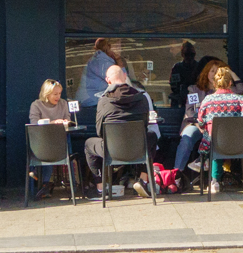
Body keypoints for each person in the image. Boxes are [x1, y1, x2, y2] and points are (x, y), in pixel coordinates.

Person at [83, 65, 156, 198]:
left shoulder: (104, 101)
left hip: (111, 150)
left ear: (108, 80)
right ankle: (143, 180)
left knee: (89, 144)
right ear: (124, 76)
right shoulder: (142, 98)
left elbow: (100, 131)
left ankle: (100, 188)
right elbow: (145, 126)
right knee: (152, 136)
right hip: (137, 149)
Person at [196, 66, 243, 195]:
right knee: (218, 139)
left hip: (217, 145)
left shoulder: (207, 101)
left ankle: (214, 181)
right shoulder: (242, 101)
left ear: (215, 83)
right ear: (230, 83)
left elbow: (201, 123)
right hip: (241, 146)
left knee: (212, 138)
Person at [171, 57, 224, 188]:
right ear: (206, 73)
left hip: (215, 127)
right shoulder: (194, 89)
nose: (214, 74)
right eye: (212, 71)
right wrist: (200, 123)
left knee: (218, 139)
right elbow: (190, 111)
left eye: (218, 72)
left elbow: (241, 88)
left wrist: (231, 75)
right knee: (187, 138)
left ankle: (214, 180)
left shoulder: (223, 92)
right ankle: (176, 176)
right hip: (195, 124)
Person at [28, 79, 71, 199]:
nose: (58, 97)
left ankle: (44, 183)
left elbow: (68, 119)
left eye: (59, 93)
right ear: (47, 94)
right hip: (41, 143)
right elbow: (34, 124)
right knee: (47, 148)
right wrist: (53, 123)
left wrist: (65, 122)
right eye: (55, 94)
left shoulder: (63, 104)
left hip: (59, 142)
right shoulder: (36, 105)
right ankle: (46, 184)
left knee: (53, 149)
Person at [75, 38, 121, 104]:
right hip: (90, 101)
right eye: (116, 46)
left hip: (88, 98)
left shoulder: (98, 58)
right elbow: (118, 81)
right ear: (106, 47)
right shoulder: (103, 62)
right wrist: (120, 63)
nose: (118, 49)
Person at [168, 41, 199, 108]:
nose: (189, 57)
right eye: (187, 54)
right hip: (181, 98)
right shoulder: (178, 67)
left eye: (190, 54)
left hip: (194, 97)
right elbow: (174, 85)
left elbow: (173, 84)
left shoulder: (199, 67)